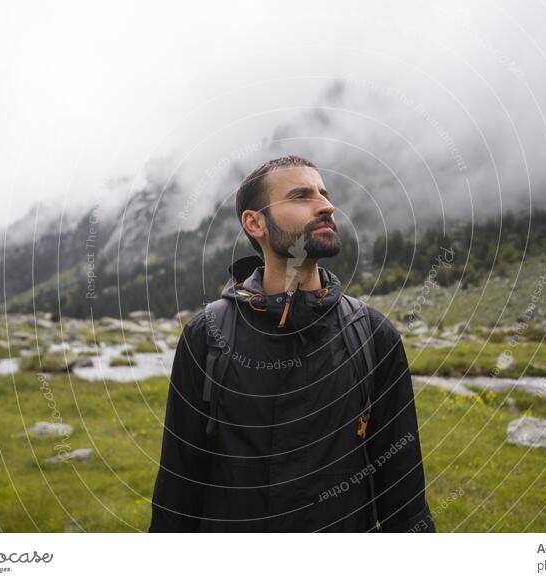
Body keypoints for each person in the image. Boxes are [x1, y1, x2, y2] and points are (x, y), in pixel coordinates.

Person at [148, 155, 435, 532]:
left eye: (324, 194)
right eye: (301, 196)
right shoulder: (207, 335)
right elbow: (180, 481)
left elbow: (403, 489)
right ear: (255, 223)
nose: (326, 205)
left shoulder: (373, 333)